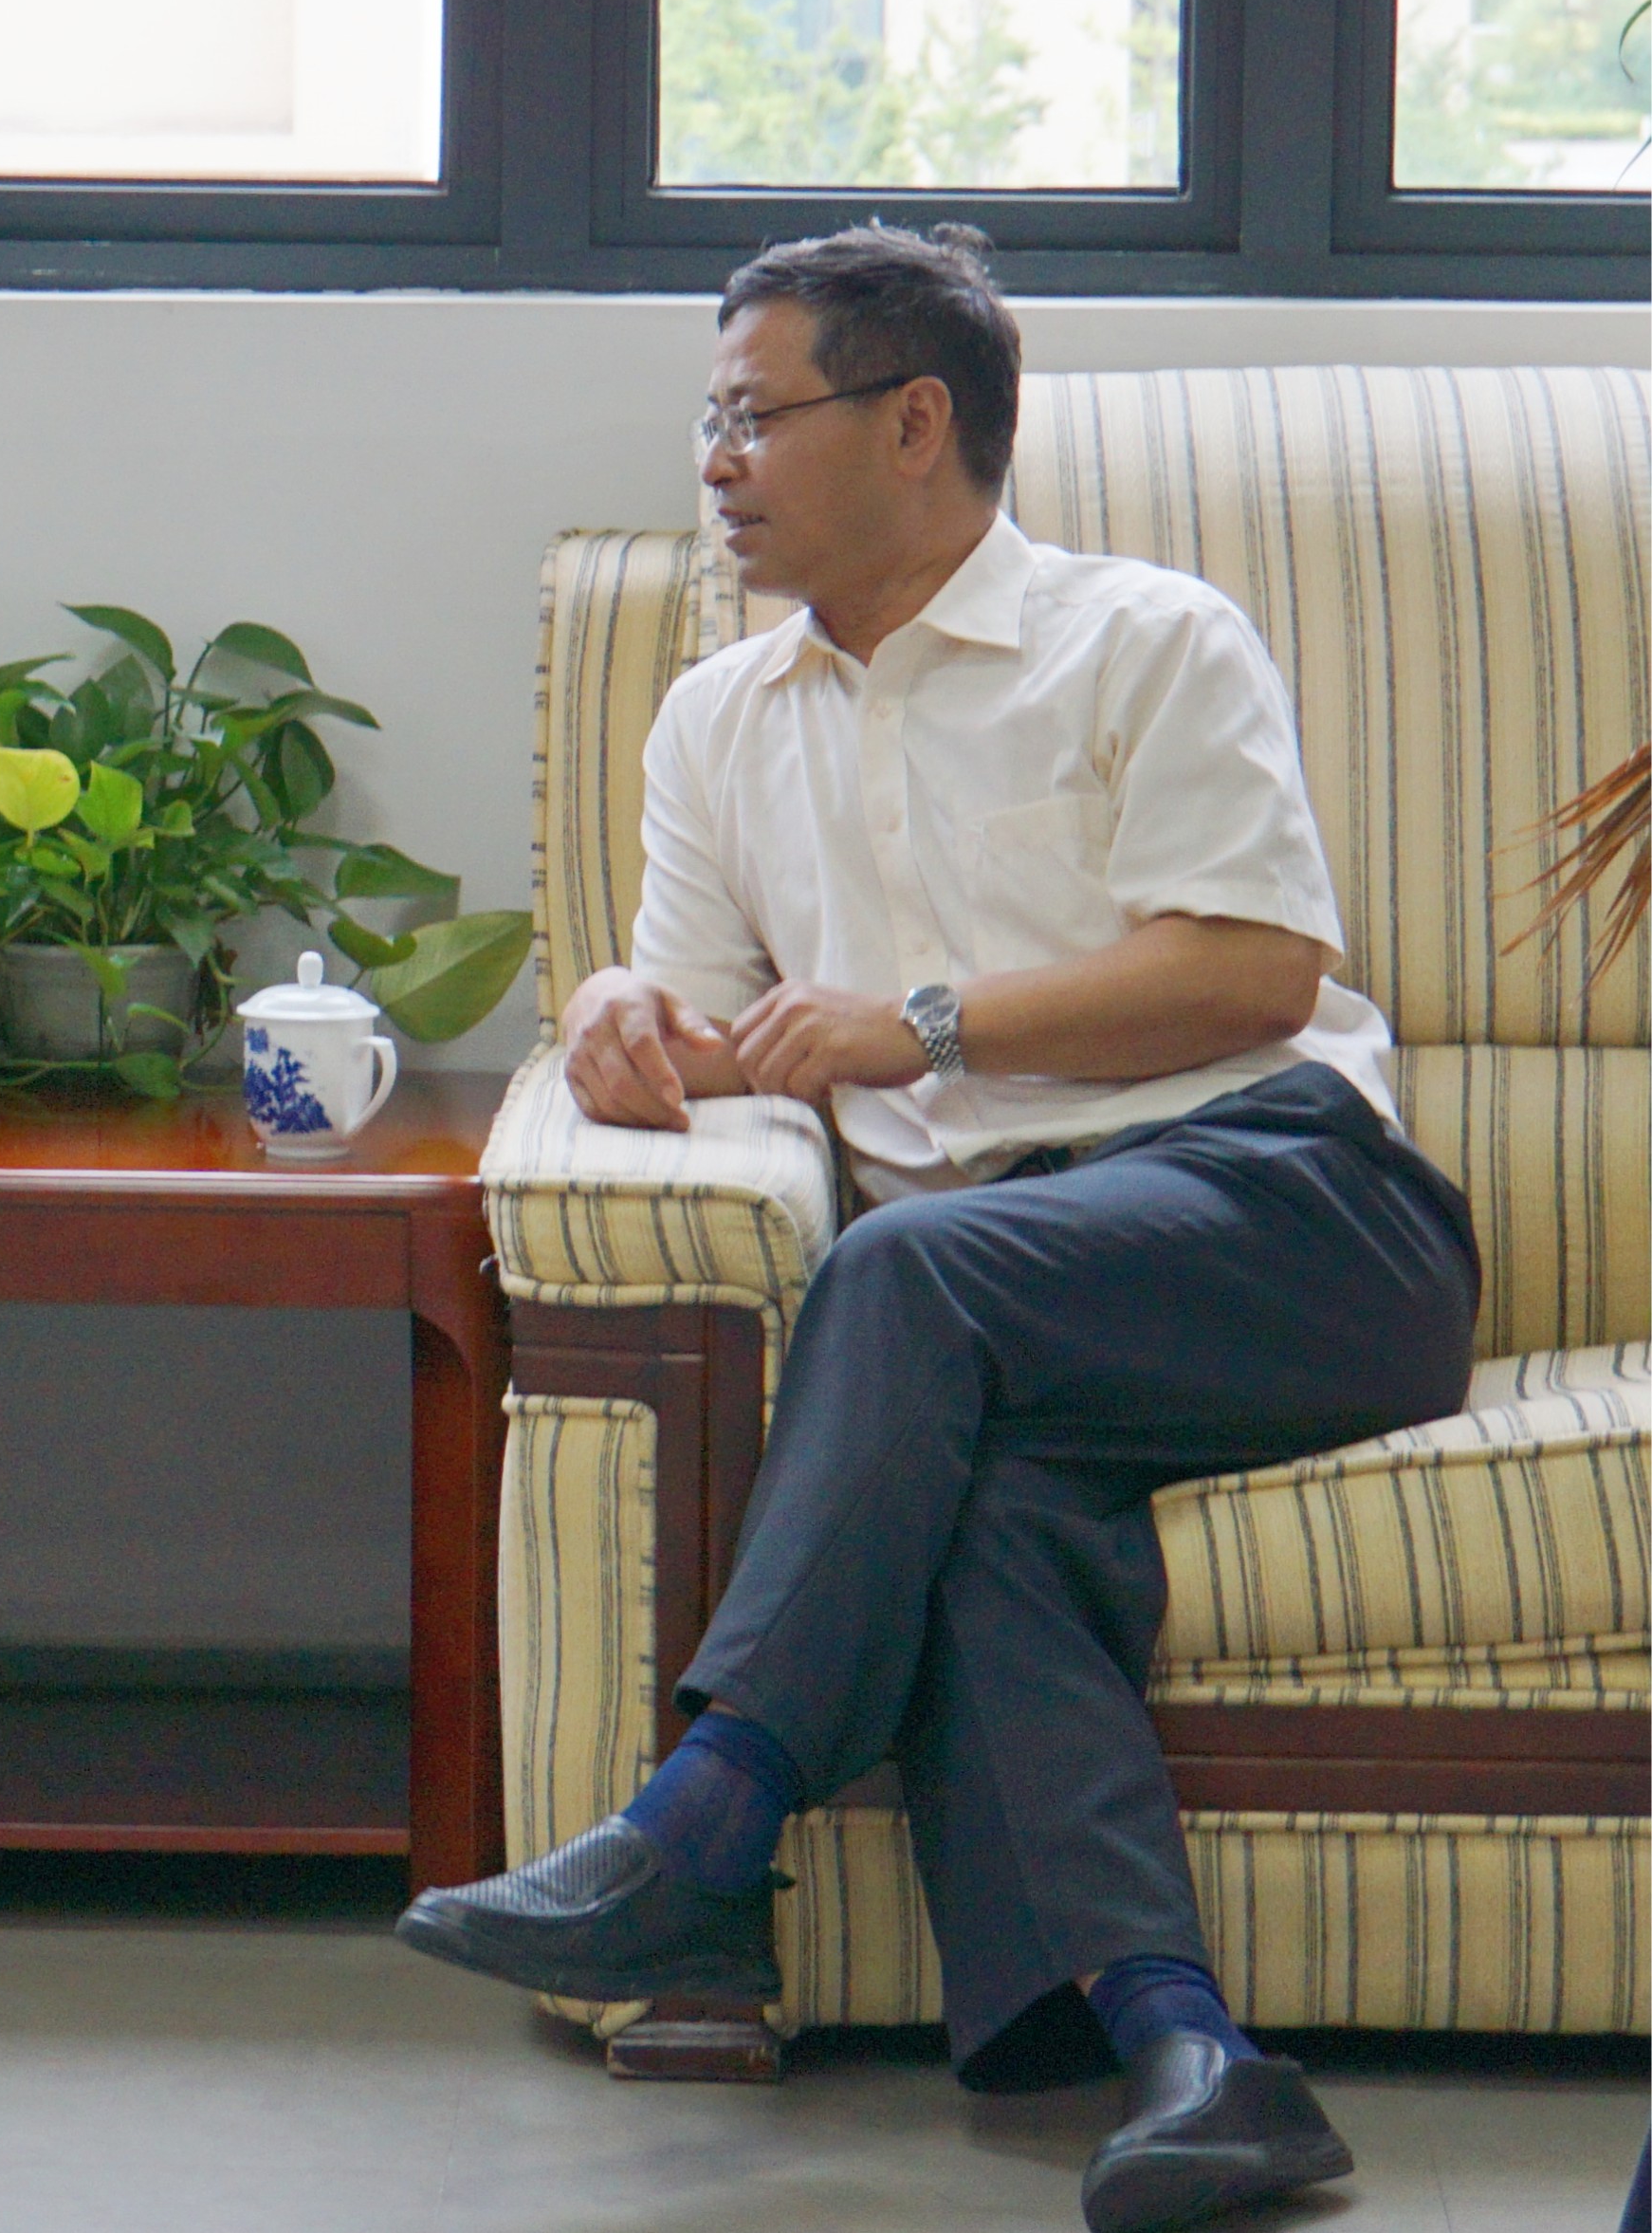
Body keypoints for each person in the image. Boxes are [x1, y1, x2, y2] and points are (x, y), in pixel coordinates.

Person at [398, 225, 1479, 2233]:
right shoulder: (718, 717)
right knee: (978, 1513)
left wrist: (927, 1026)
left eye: (755, 415)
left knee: (898, 1267)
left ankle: (704, 1824)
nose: (714, 460)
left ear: (915, 423)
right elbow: (704, 1019)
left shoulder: (1144, 638)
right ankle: (1194, 2057)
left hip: (1295, 1216)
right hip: (1008, 1304)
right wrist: (623, 1012)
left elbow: (1257, 968)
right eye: (708, 418)